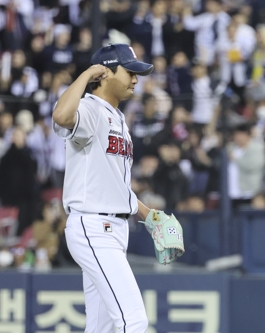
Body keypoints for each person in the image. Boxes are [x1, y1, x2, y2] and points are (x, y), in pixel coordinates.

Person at [52, 43, 156, 332]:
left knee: (102, 327)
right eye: (129, 72)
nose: (136, 79)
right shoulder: (89, 108)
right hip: (94, 226)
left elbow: (115, 183)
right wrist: (86, 75)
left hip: (113, 228)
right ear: (106, 73)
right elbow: (60, 116)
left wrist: (149, 214)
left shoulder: (119, 118)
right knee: (133, 320)